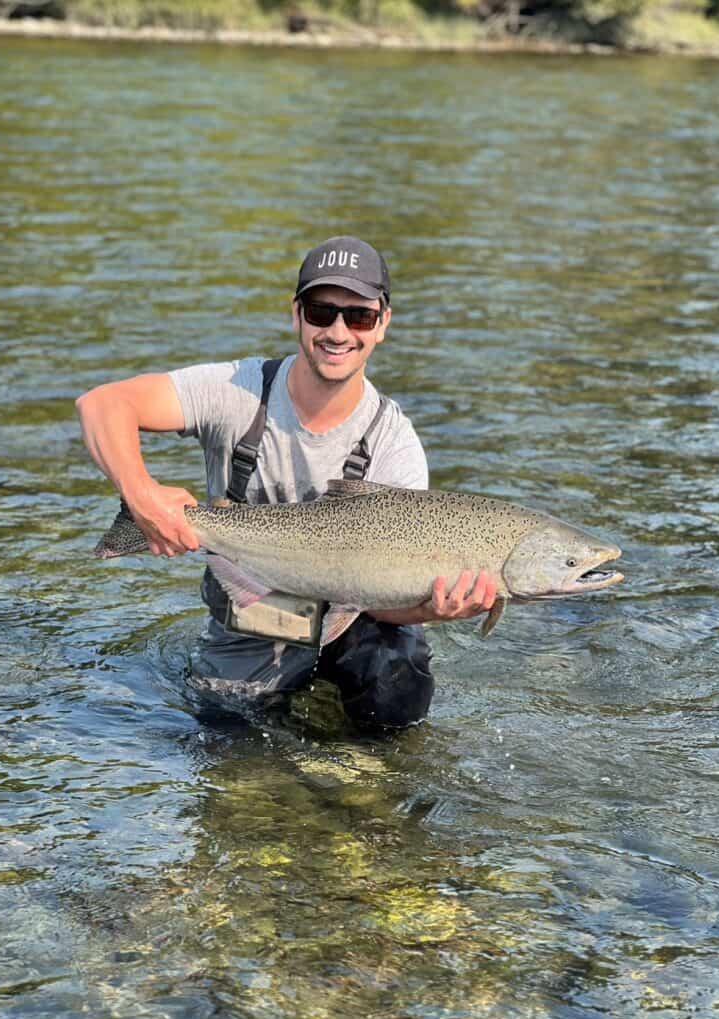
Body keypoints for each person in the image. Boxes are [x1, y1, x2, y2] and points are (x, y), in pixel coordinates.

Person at [76, 236, 498, 731]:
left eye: (358, 316)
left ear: (382, 324)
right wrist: (142, 496)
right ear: (296, 315)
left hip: (354, 623)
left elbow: (387, 608)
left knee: (396, 690)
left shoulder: (394, 443)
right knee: (227, 734)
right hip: (254, 620)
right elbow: (102, 405)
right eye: (322, 311)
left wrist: (433, 608)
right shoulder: (237, 391)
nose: (338, 331)